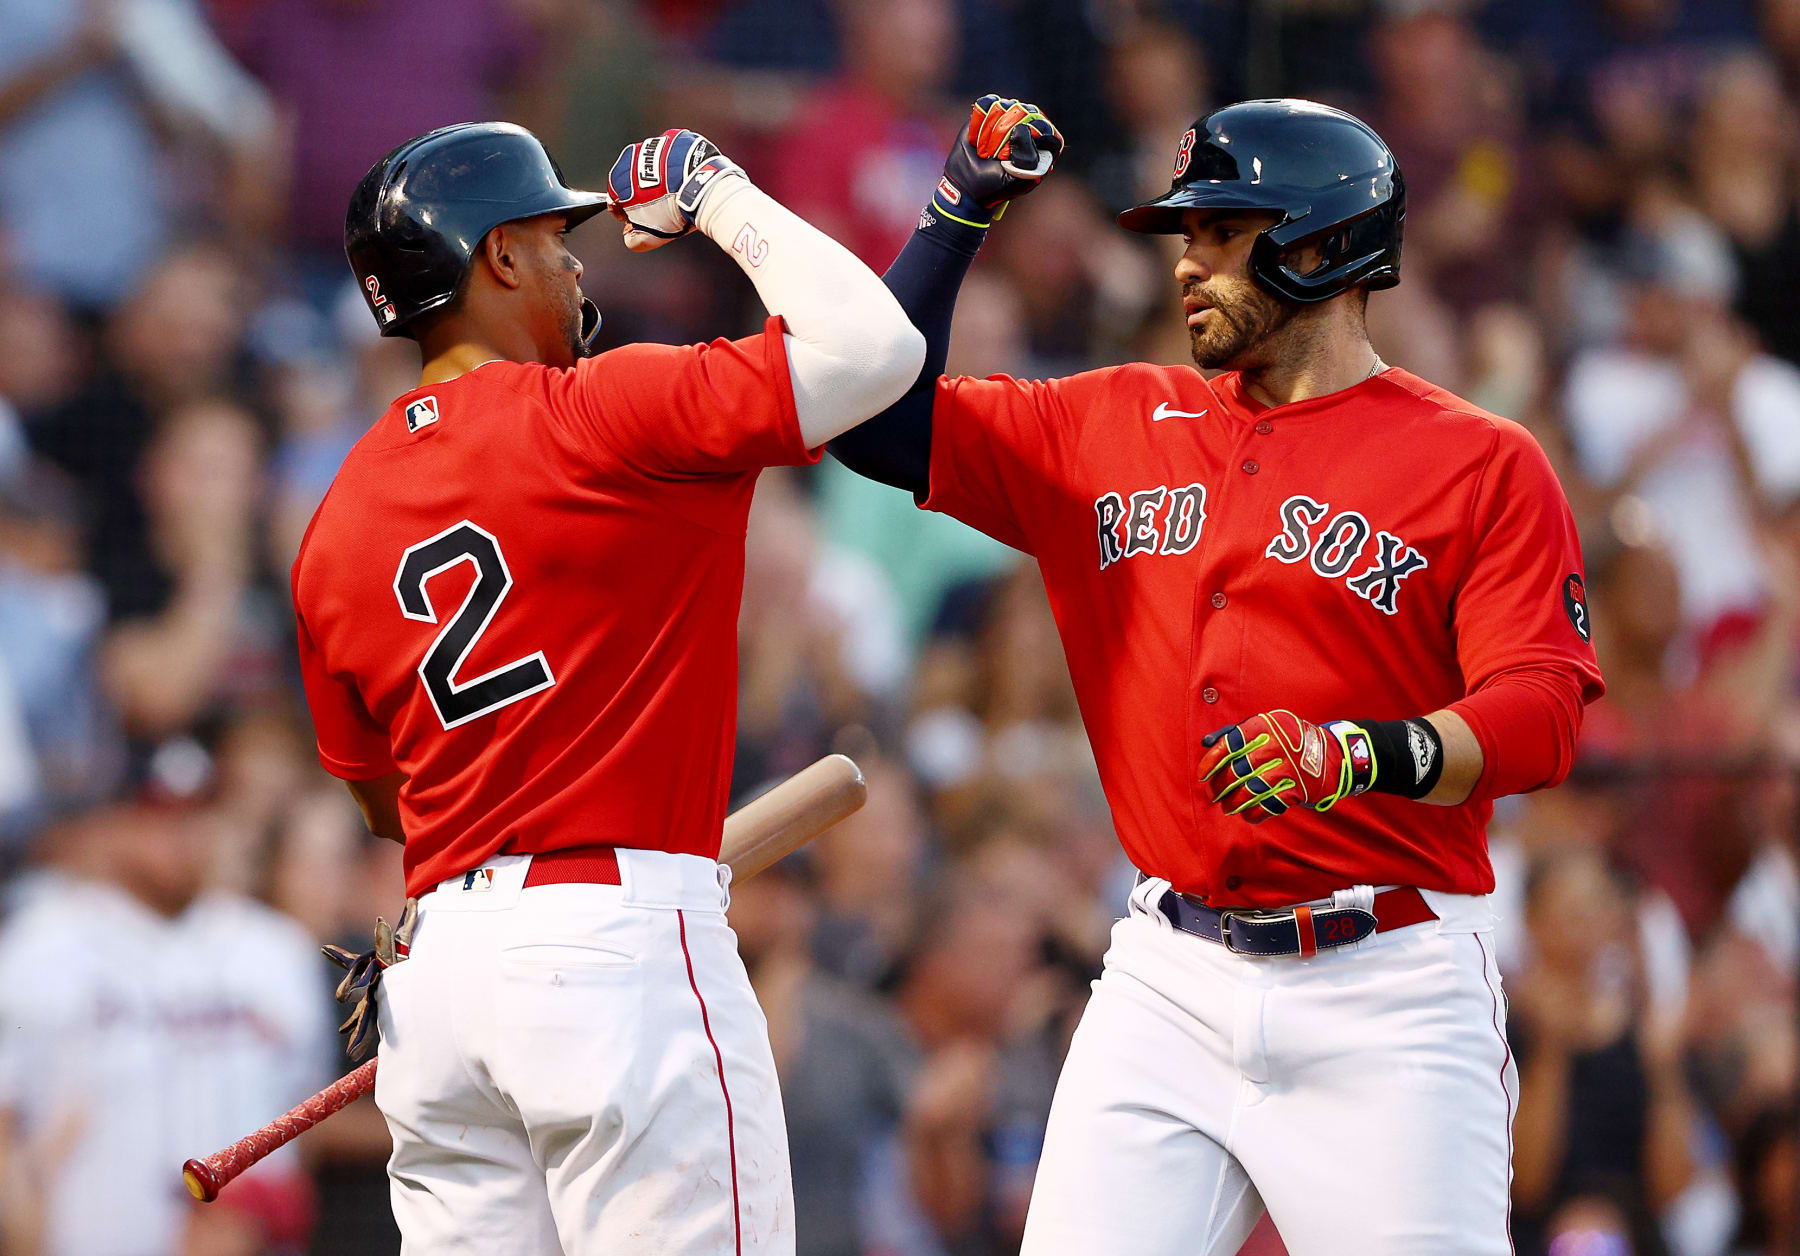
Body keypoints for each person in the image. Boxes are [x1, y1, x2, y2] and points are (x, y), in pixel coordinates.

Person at [831, 96, 1605, 1254]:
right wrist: (958, 213)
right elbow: (874, 420)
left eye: (1221, 231)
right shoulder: (1113, 420)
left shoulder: (1480, 462)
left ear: (1321, 241)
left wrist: (1358, 751)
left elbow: (1542, 715)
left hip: (1384, 985)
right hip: (1166, 974)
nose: (1187, 263)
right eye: (1186, 234)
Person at [290, 121, 921, 1254]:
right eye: (552, 234)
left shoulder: (332, 524)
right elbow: (879, 348)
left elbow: (389, 806)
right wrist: (717, 192)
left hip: (437, 987)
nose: (577, 259)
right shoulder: (603, 413)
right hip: (615, 954)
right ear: (497, 260)